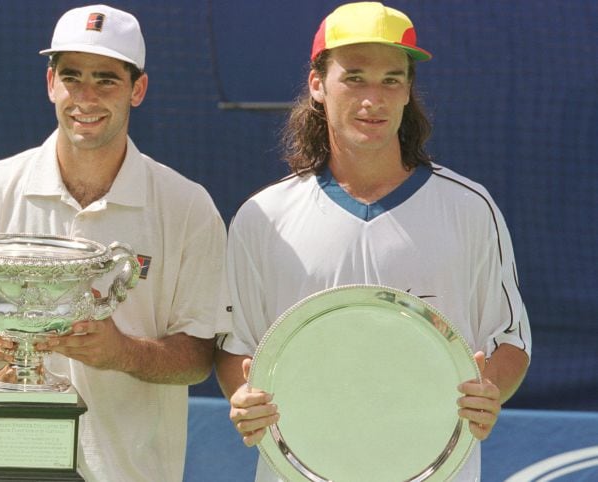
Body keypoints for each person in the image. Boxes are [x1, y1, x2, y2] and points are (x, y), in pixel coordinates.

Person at [214, 2, 531, 481]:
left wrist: (489, 391)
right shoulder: (264, 217)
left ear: (408, 92)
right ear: (318, 85)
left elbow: (511, 341)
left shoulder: (469, 208)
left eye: (391, 79)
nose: (373, 98)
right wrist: (244, 397)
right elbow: (235, 346)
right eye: (355, 76)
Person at [0, 4, 229, 482]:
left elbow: (197, 358)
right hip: (2, 470)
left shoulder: (188, 206)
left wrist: (120, 352)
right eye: (72, 77)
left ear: (138, 89)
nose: (85, 97)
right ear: (50, 84)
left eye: (106, 79)